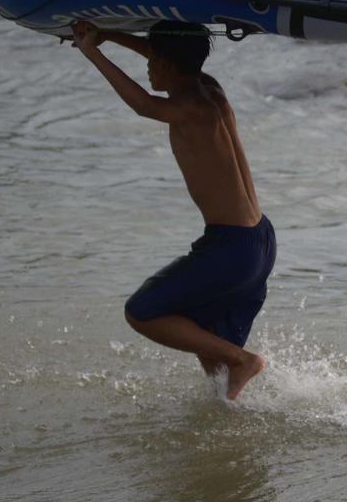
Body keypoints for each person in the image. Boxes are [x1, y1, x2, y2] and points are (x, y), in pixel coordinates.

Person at [71, 20, 274, 401]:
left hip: (231, 249)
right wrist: (109, 34)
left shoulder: (187, 107)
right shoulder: (209, 89)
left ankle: (245, 360)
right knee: (208, 350)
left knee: (142, 311)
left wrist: (92, 51)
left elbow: (142, 104)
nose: (148, 66)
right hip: (259, 240)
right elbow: (166, 57)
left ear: (168, 63)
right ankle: (225, 425)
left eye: (154, 59)